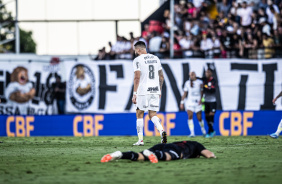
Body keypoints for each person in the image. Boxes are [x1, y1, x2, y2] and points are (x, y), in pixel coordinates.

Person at [132, 41, 167, 146]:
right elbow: (161, 76)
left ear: (138, 49)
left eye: (135, 50)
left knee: (139, 113)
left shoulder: (137, 60)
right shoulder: (156, 58)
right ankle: (161, 131)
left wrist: (135, 93)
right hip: (155, 89)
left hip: (143, 90)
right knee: (152, 114)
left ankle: (140, 140)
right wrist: (159, 89)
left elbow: (137, 77)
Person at [101, 140, 216, 163]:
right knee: (170, 156)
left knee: (141, 156)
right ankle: (153, 154)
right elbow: (209, 155)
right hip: (175, 149)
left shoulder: (184, 142)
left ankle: (120, 155)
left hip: (164, 145)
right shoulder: (196, 145)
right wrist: (213, 156)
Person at [180, 72, 206, 137]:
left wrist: (202, 100)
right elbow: (185, 93)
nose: (191, 76)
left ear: (195, 75)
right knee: (190, 116)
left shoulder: (200, 82)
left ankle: (203, 130)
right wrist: (182, 102)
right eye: (190, 75)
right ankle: (192, 133)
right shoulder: (187, 83)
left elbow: (203, 92)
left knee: (199, 118)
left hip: (198, 102)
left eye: (193, 74)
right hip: (190, 102)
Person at [202, 68, 217, 138]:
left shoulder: (213, 80)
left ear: (211, 73)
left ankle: (209, 132)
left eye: (208, 72)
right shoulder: (204, 80)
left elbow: (212, 89)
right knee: (206, 117)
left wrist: (205, 86)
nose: (206, 74)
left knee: (211, 116)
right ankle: (212, 131)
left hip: (212, 101)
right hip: (206, 101)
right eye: (206, 72)